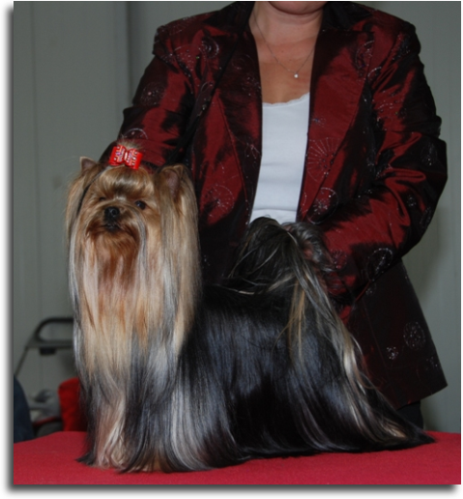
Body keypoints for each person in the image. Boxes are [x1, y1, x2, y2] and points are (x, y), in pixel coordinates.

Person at [101, 0, 447, 427]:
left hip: (354, 332)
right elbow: (136, 152)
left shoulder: (383, 42)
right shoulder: (190, 45)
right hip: (214, 341)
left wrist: (312, 257)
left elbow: (414, 175)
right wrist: (117, 173)